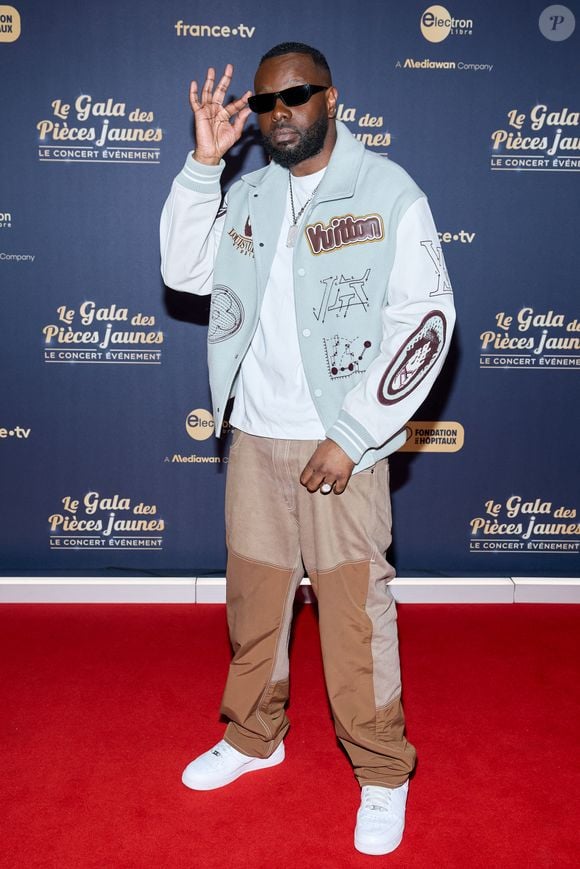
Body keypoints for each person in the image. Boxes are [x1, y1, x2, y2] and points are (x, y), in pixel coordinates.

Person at [160, 41, 455, 856]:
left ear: (332, 97)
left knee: (356, 617)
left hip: (341, 449)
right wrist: (199, 168)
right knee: (256, 608)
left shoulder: (387, 190)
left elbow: (427, 321)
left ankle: (383, 771)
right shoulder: (248, 191)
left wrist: (355, 433)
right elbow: (184, 271)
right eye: (265, 103)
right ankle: (255, 737)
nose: (279, 112)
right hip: (256, 438)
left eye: (295, 95)